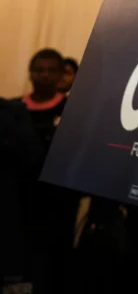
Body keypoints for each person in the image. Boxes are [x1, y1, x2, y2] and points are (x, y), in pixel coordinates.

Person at [17, 48, 80, 293]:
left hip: (58, 204)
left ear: (60, 75)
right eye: (39, 70)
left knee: (54, 267)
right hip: (21, 202)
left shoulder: (73, 111)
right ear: (30, 73)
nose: (44, 75)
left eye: (51, 70)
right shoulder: (14, 110)